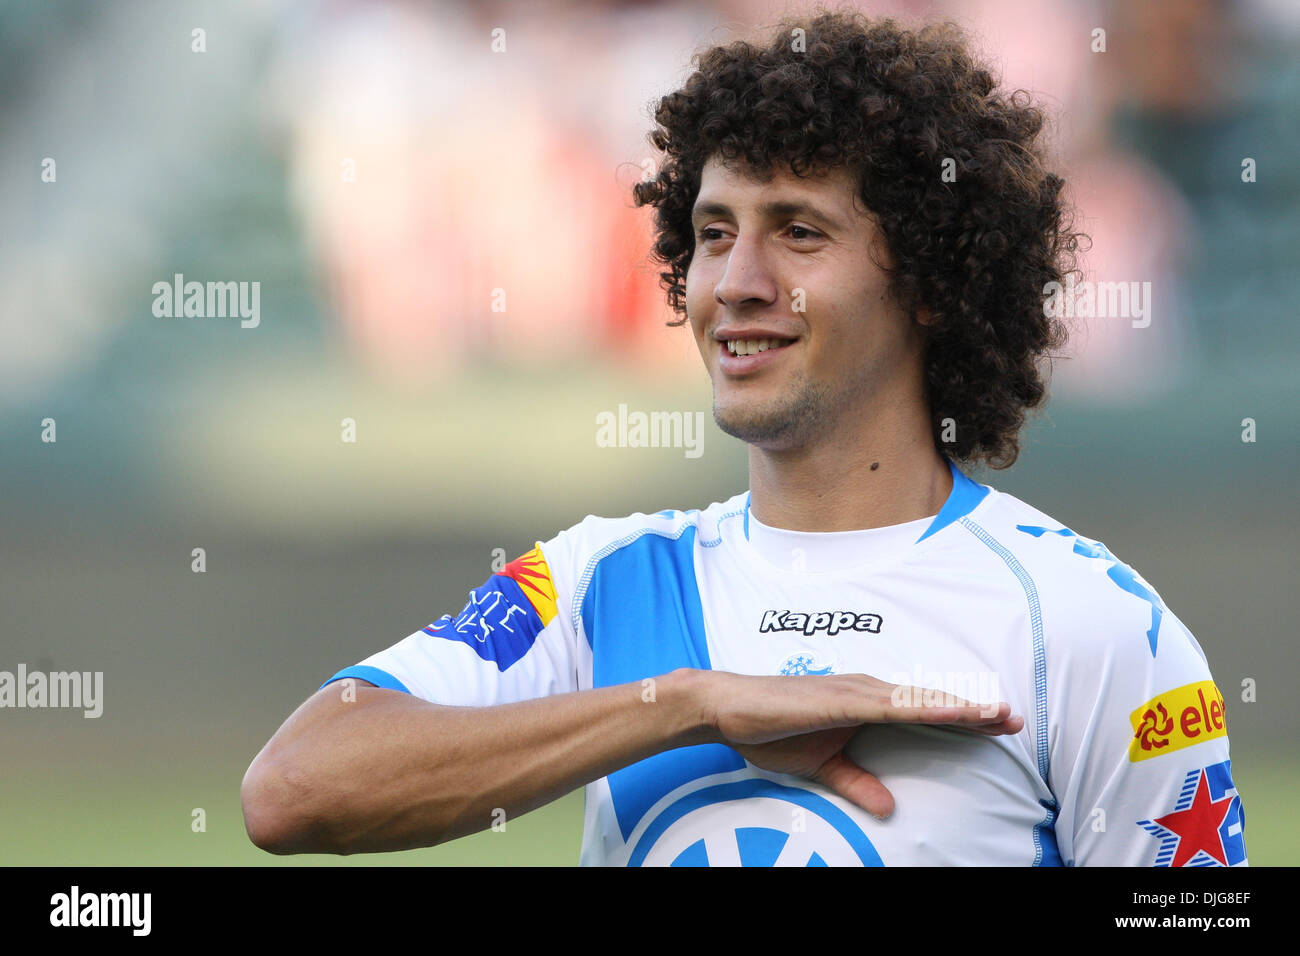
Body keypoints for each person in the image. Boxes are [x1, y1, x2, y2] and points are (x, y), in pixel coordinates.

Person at [240, 11, 1245, 867]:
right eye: (714, 232)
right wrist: (685, 706)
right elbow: (292, 791)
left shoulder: (1092, 625)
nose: (736, 281)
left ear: (933, 284)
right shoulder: (602, 579)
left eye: (798, 231)